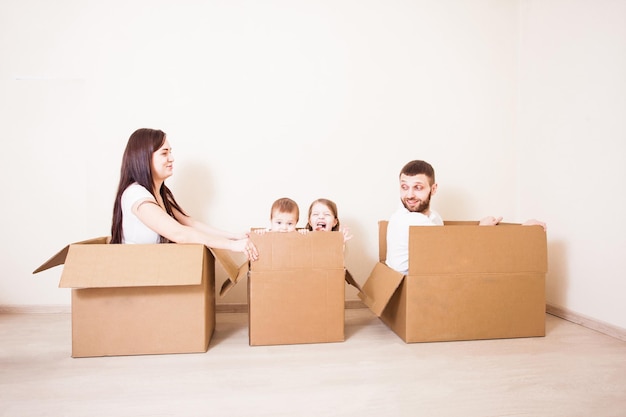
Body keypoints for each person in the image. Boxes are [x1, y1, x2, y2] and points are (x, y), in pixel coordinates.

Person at [110, 128, 258, 261]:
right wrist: (231, 245)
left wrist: (234, 236)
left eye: (170, 152)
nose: (171, 158)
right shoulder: (135, 194)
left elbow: (190, 223)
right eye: (164, 153)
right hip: (136, 274)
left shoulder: (162, 195)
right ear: (144, 158)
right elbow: (178, 233)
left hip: (153, 271)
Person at [385, 160, 546, 274]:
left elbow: (451, 252)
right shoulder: (410, 219)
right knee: (491, 259)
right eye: (404, 187)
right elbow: (459, 253)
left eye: (418, 187)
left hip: (432, 275)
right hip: (419, 285)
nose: (409, 194)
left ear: (433, 189)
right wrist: (522, 232)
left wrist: (480, 231)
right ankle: (527, 234)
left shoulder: (433, 217)